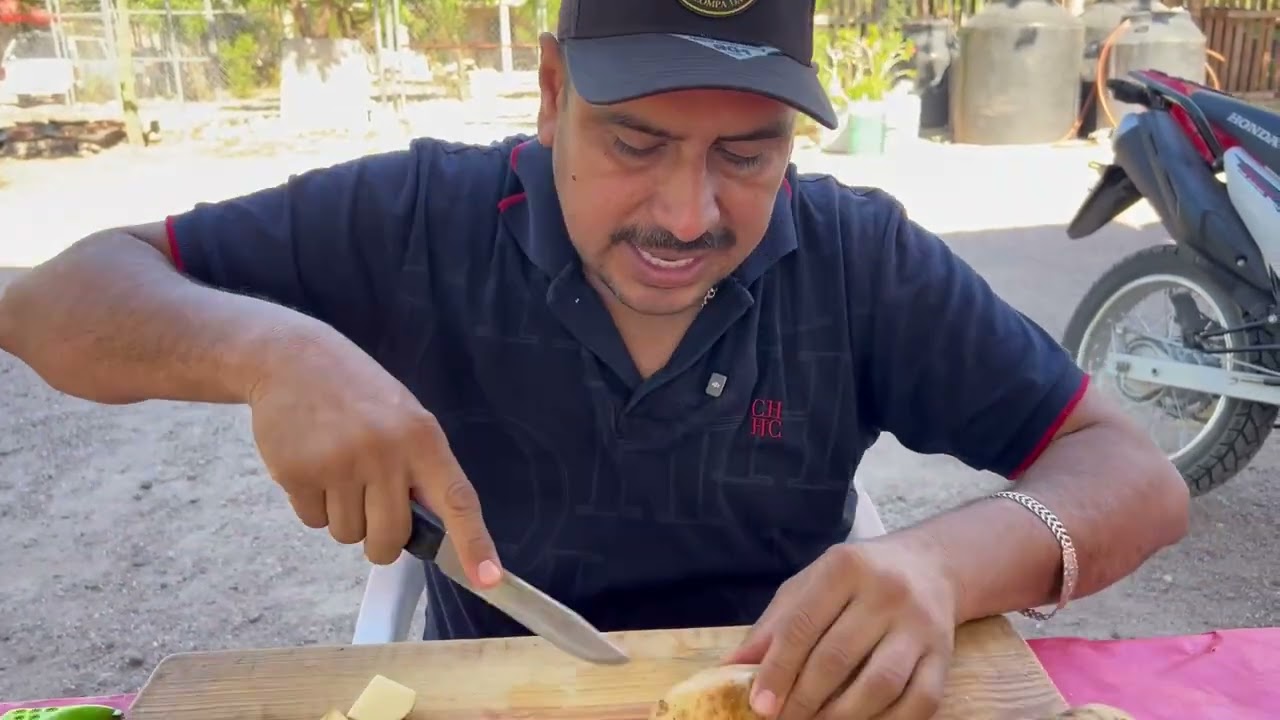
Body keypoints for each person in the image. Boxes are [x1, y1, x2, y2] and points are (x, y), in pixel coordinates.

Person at [0, 1, 1190, 718]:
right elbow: (52, 299)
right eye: (634, 141)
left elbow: (1136, 479)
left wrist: (943, 563)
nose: (687, 215)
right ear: (552, 93)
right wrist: (264, 349)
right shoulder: (418, 218)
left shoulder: (856, 257)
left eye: (748, 152)